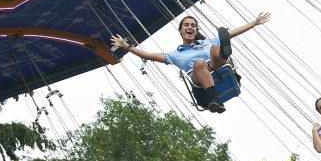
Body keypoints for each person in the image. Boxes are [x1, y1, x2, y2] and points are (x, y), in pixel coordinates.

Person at [110, 13, 270, 113]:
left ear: (196, 30)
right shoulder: (175, 55)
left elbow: (232, 33)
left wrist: (253, 23)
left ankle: (223, 52)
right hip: (199, 78)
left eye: (193, 26)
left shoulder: (206, 42)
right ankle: (213, 98)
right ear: (180, 30)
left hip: (217, 66)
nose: (190, 27)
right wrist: (127, 47)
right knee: (200, 63)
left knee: (215, 46)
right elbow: (149, 55)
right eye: (186, 25)